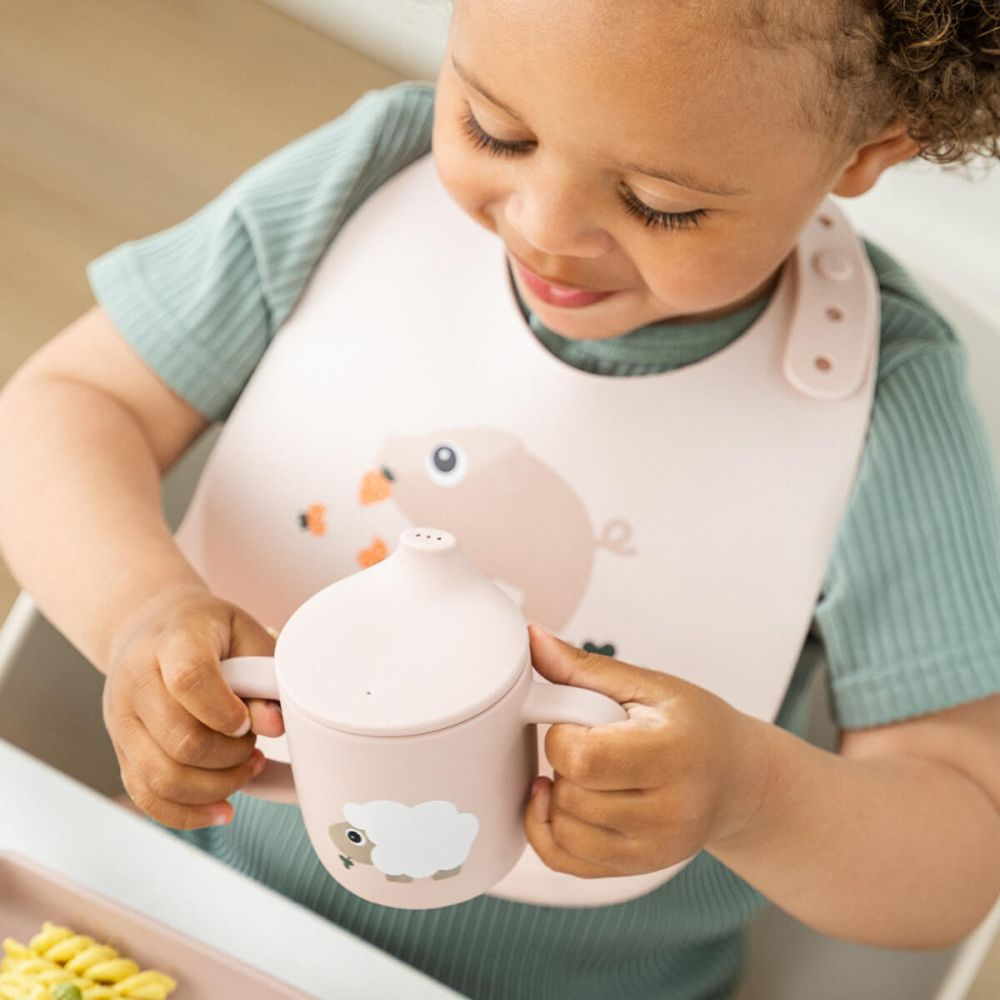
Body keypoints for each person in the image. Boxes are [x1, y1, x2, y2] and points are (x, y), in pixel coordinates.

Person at [1, 1, 998, 997]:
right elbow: (65, 405)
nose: (543, 227)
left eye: (659, 203)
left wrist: (749, 794)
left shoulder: (885, 410)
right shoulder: (364, 187)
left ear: (870, 148)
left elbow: (960, 844)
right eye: (495, 131)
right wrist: (141, 612)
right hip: (198, 910)